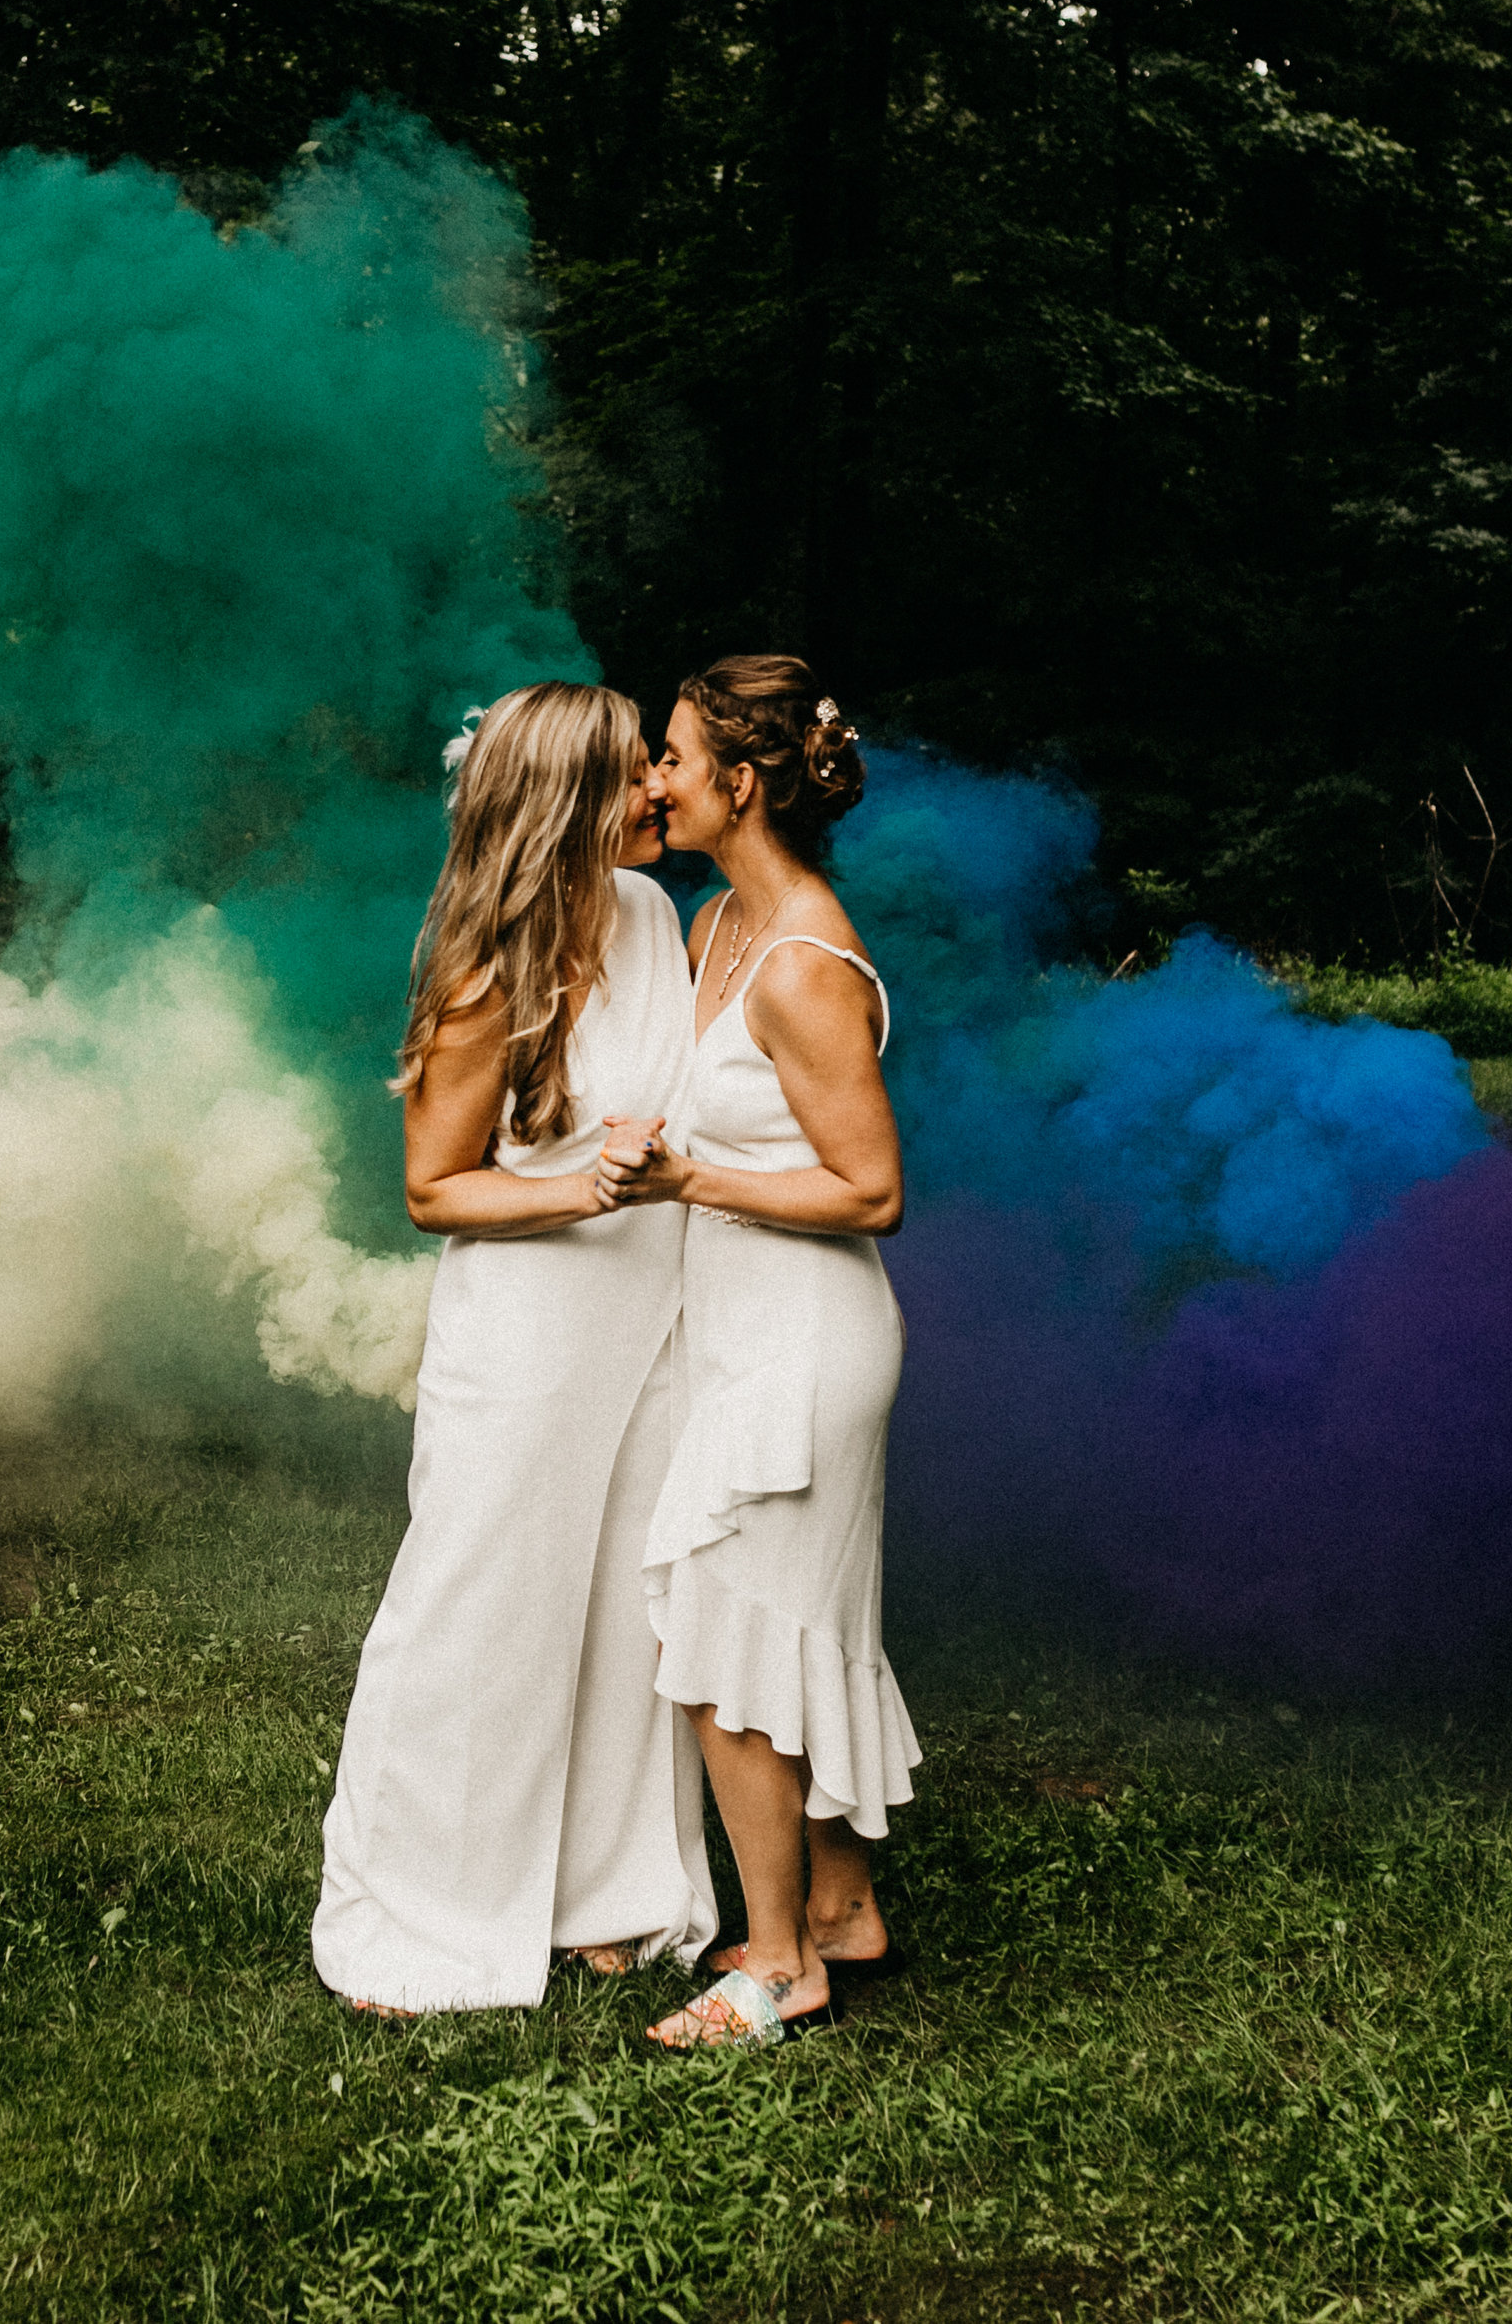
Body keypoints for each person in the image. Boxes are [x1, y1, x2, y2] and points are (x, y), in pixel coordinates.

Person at [311, 682, 718, 2011]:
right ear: (567, 806)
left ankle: (606, 1893)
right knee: (483, 1607)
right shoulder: (488, 969)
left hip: (652, 1318)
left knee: (623, 1605)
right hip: (531, 1329)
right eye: (633, 776)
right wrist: (578, 1192)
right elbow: (436, 1188)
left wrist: (660, 1160)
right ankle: (425, 1909)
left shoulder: (657, 918)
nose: (662, 791)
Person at [604, 654, 918, 2052]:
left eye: (671, 756)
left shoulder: (800, 966)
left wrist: (690, 1184)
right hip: (731, 1321)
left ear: (740, 781)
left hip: (805, 1334)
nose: (653, 779)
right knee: (775, 1626)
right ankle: (842, 1909)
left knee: (726, 1641)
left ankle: (780, 1967)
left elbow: (871, 1191)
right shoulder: (714, 919)